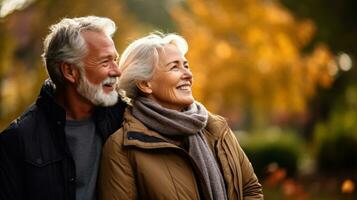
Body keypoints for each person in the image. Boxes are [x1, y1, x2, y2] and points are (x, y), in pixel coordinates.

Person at [99, 32, 263, 200]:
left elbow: (250, 188)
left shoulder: (216, 128)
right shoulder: (122, 148)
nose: (188, 75)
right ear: (145, 84)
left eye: (186, 65)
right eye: (174, 67)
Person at [0, 16, 126, 200]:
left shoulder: (124, 118)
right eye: (105, 62)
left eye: (115, 59)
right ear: (70, 72)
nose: (117, 71)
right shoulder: (17, 140)